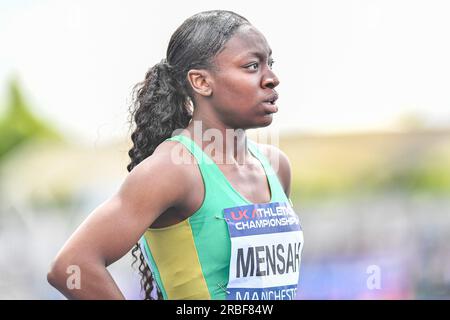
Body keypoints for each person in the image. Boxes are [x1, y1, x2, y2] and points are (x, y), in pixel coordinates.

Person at [47, 9, 304, 300]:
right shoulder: (173, 169)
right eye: (251, 66)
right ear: (201, 82)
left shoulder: (276, 166)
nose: (272, 78)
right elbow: (70, 266)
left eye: (269, 63)